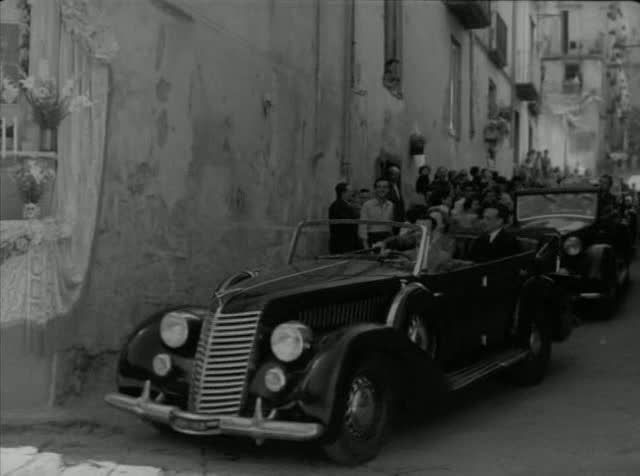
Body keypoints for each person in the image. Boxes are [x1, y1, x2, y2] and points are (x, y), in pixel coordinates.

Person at [358, 178, 395, 248]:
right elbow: (362, 228)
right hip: (372, 239)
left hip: (387, 239)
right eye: (379, 187)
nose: (382, 189)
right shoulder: (367, 205)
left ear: (389, 189)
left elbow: (391, 226)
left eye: (385, 187)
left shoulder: (391, 205)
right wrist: (366, 247)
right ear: (375, 189)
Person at [328, 182, 360, 254]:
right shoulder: (338, 206)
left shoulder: (346, 205)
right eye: (351, 191)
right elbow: (348, 225)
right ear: (343, 193)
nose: (353, 194)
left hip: (347, 245)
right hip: (343, 246)